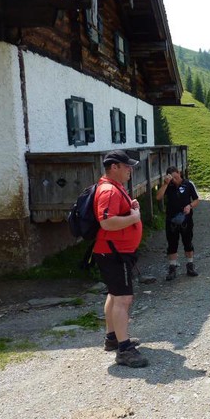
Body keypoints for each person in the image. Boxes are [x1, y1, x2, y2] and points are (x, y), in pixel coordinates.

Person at [93, 150, 147, 368]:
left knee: (115, 295)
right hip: (115, 253)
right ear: (114, 167)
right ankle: (124, 350)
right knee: (123, 299)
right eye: (126, 166)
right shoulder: (109, 191)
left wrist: (130, 208)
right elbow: (107, 222)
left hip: (113, 251)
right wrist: (134, 217)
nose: (130, 170)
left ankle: (112, 337)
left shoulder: (114, 188)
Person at [156, 166, 200, 280]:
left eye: (176, 177)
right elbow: (158, 197)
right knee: (172, 244)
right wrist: (166, 184)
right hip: (171, 219)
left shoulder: (188, 184)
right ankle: (172, 268)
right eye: (172, 178)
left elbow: (196, 200)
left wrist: (190, 206)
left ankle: (190, 266)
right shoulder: (168, 185)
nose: (174, 180)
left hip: (186, 219)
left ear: (179, 173)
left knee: (188, 242)